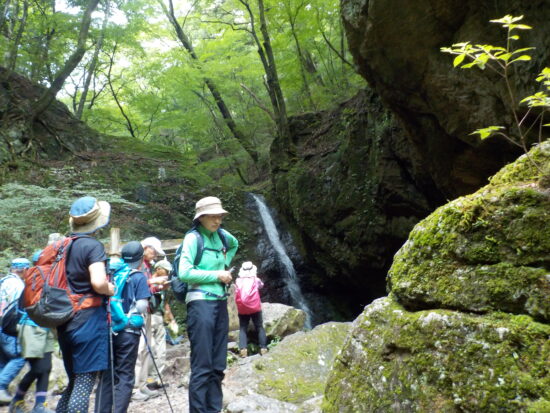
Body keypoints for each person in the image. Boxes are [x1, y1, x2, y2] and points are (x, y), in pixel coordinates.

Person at [178, 196, 238, 413]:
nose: (217, 220)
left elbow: (234, 244)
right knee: (202, 366)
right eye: (212, 216)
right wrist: (217, 274)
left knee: (218, 366)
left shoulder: (221, 236)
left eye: (220, 216)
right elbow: (184, 273)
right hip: (200, 304)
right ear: (200, 218)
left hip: (220, 303)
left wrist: (224, 264)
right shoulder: (193, 238)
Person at [56, 196, 115, 413]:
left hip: (64, 320)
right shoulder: (92, 246)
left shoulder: (62, 247)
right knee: (83, 382)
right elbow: (98, 282)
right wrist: (110, 288)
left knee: (73, 381)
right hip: (88, 320)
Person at [95, 241, 151, 413]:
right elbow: (142, 306)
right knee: (125, 375)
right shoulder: (138, 276)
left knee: (107, 375)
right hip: (128, 331)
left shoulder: (110, 273)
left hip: (108, 329)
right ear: (141, 259)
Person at [133, 237, 168, 401]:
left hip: (147, 310)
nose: (155, 255)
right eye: (154, 251)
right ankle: (134, 389)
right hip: (137, 311)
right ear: (146, 247)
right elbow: (134, 284)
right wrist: (153, 280)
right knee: (139, 349)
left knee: (147, 348)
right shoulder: (136, 262)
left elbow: (146, 288)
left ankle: (142, 385)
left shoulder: (146, 265)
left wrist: (158, 287)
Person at [0, 259, 29, 404]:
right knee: (20, 357)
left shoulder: (3, 281)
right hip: (8, 327)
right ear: (24, 269)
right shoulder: (18, 285)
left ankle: (2, 391)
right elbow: (19, 309)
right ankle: (1, 387)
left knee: (3, 359)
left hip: (1, 326)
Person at [235, 261, 268, 358]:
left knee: (243, 328)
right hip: (255, 307)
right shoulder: (256, 279)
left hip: (243, 308)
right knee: (259, 327)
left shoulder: (238, 281)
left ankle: (243, 350)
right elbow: (261, 285)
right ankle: (263, 348)